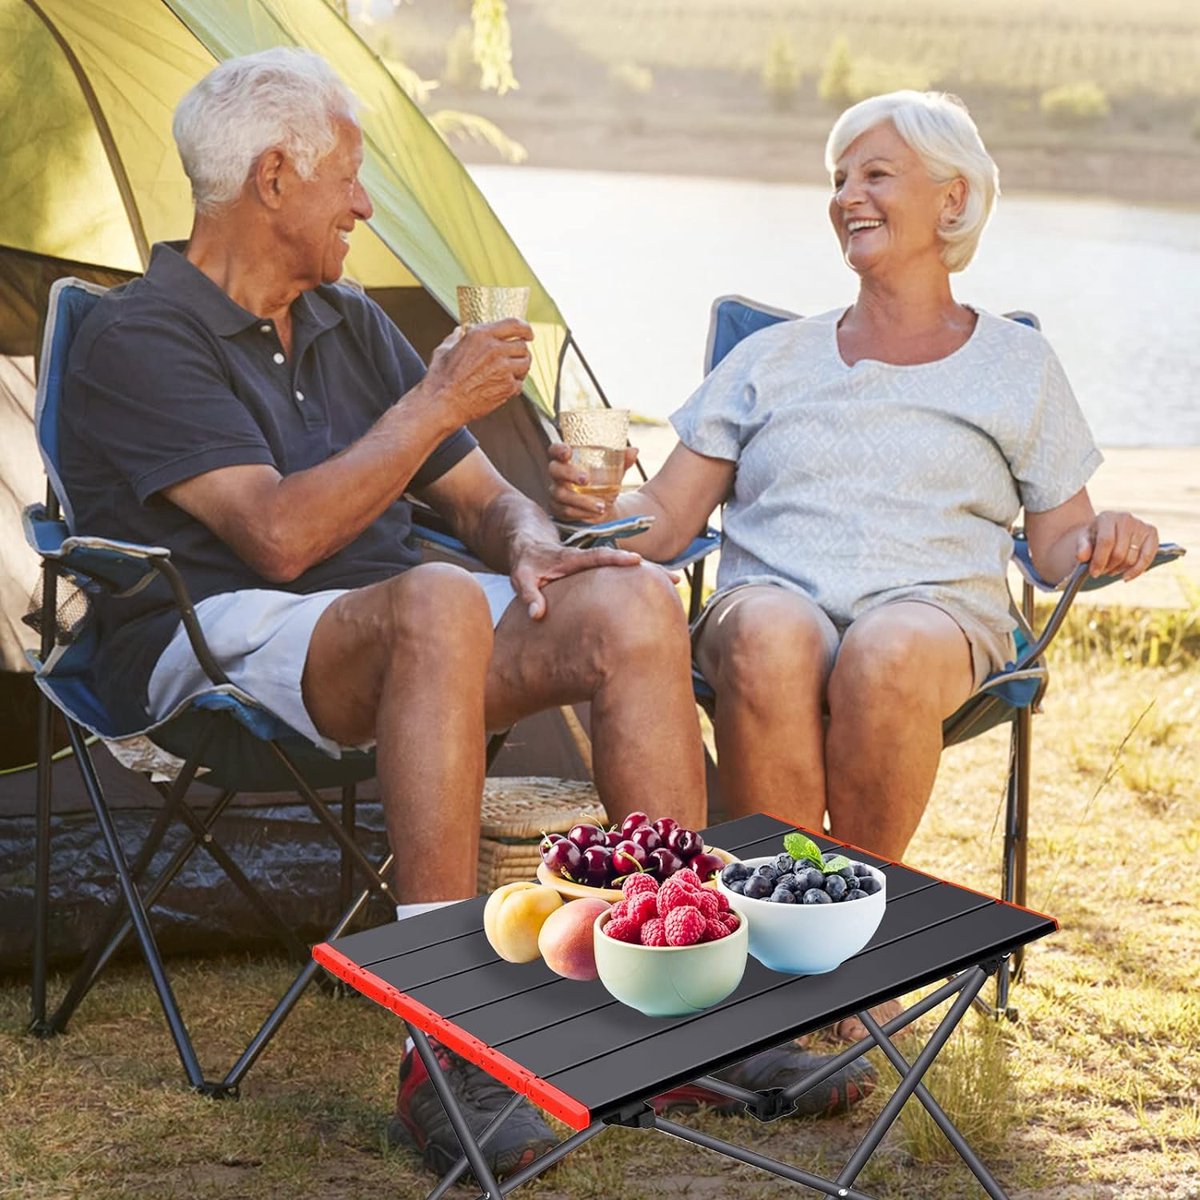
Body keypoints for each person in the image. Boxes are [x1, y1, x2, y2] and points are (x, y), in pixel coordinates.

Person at [57, 49, 871, 1184]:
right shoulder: (139, 335)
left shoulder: (344, 319)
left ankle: (677, 1006)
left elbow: (481, 501)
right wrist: (437, 397)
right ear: (275, 178)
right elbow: (281, 538)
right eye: (346, 175)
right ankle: (442, 1036)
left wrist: (538, 545)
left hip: (404, 627)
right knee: (437, 598)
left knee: (629, 598)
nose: (364, 203)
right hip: (222, 635)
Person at [550, 90, 1159, 1040]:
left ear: (952, 203)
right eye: (838, 178)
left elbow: (1054, 546)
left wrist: (1107, 535)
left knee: (888, 648)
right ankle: (775, 954)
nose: (847, 196)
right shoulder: (773, 357)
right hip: (772, 598)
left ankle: (836, 956)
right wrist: (597, 506)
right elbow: (665, 519)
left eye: (876, 174)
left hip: (935, 616)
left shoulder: (1015, 366)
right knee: (765, 631)